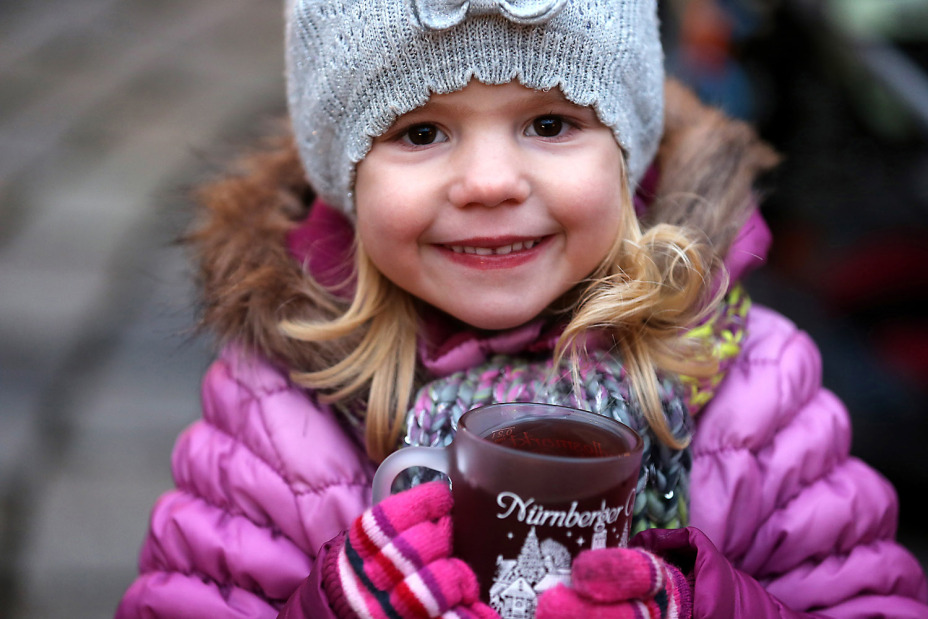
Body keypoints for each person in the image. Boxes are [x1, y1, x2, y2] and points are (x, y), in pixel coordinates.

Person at [116, 0, 928, 617]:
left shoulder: (754, 384)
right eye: (422, 131)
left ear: (627, 150)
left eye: (550, 122)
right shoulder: (277, 413)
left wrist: (705, 601)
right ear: (346, 176)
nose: (489, 181)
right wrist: (339, 602)